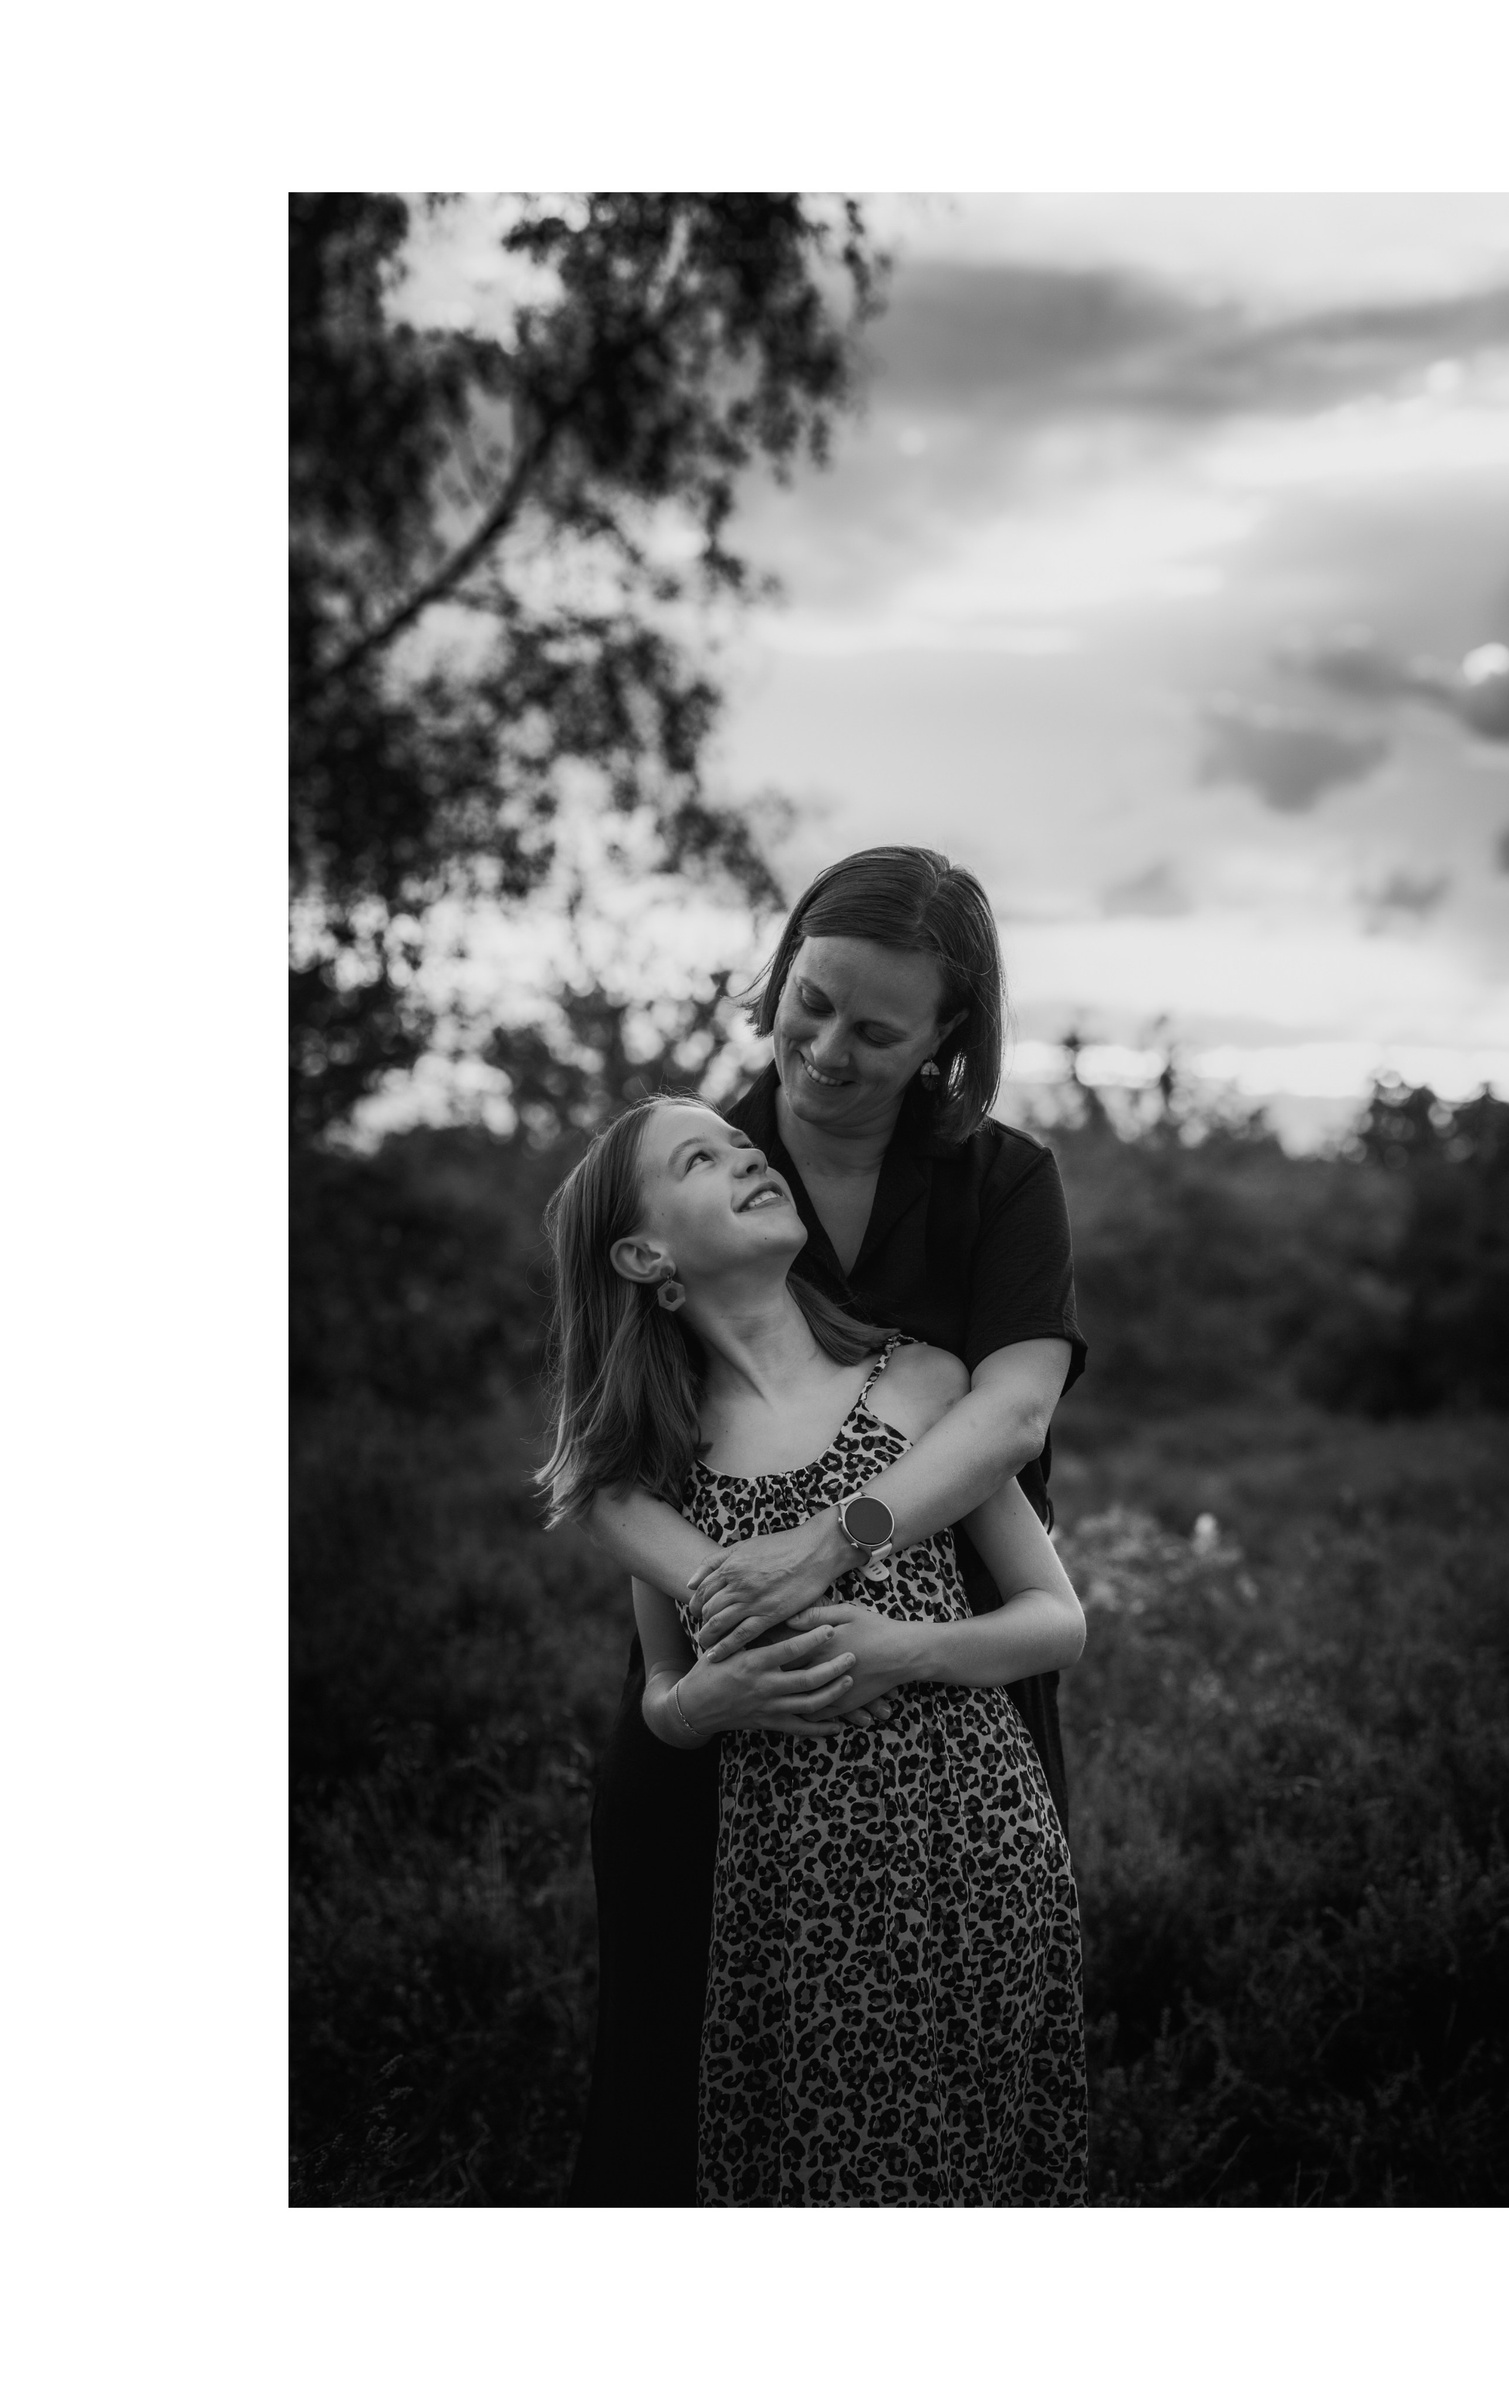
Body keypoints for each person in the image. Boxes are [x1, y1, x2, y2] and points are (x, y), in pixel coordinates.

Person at [564, 846, 1087, 2205]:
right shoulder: (694, 1158)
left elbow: (1011, 1415)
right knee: (685, 2096)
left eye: (878, 1031)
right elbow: (600, 1457)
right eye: (811, 1001)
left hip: (945, 1674)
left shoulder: (1000, 1183)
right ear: (782, 969)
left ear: (945, 1039)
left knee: (948, 2094)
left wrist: (826, 1554)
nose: (826, 1051)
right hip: (736, 1679)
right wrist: (730, 1614)